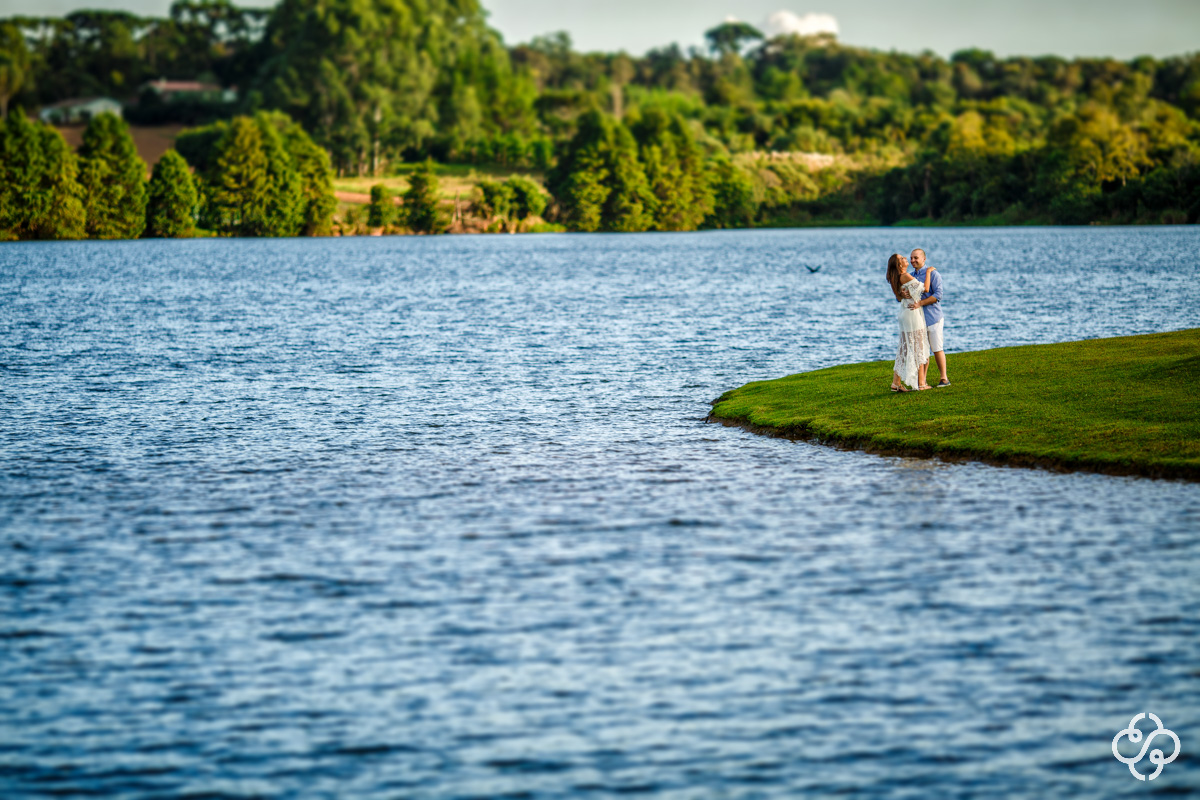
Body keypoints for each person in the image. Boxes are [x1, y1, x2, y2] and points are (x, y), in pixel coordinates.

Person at [885, 253, 930, 392]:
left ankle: (896, 383)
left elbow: (901, 295)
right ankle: (921, 384)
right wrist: (929, 271)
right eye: (903, 259)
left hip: (906, 313)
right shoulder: (905, 276)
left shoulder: (899, 278)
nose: (906, 259)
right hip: (912, 314)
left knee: (905, 349)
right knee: (918, 347)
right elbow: (925, 289)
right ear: (899, 265)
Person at [908, 248, 949, 387]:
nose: (912, 260)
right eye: (911, 258)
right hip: (917, 320)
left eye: (916, 258)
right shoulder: (910, 276)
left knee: (937, 348)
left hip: (933, 317)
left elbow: (938, 295)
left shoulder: (933, 274)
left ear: (924, 259)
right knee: (923, 351)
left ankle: (944, 379)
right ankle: (922, 381)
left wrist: (920, 303)